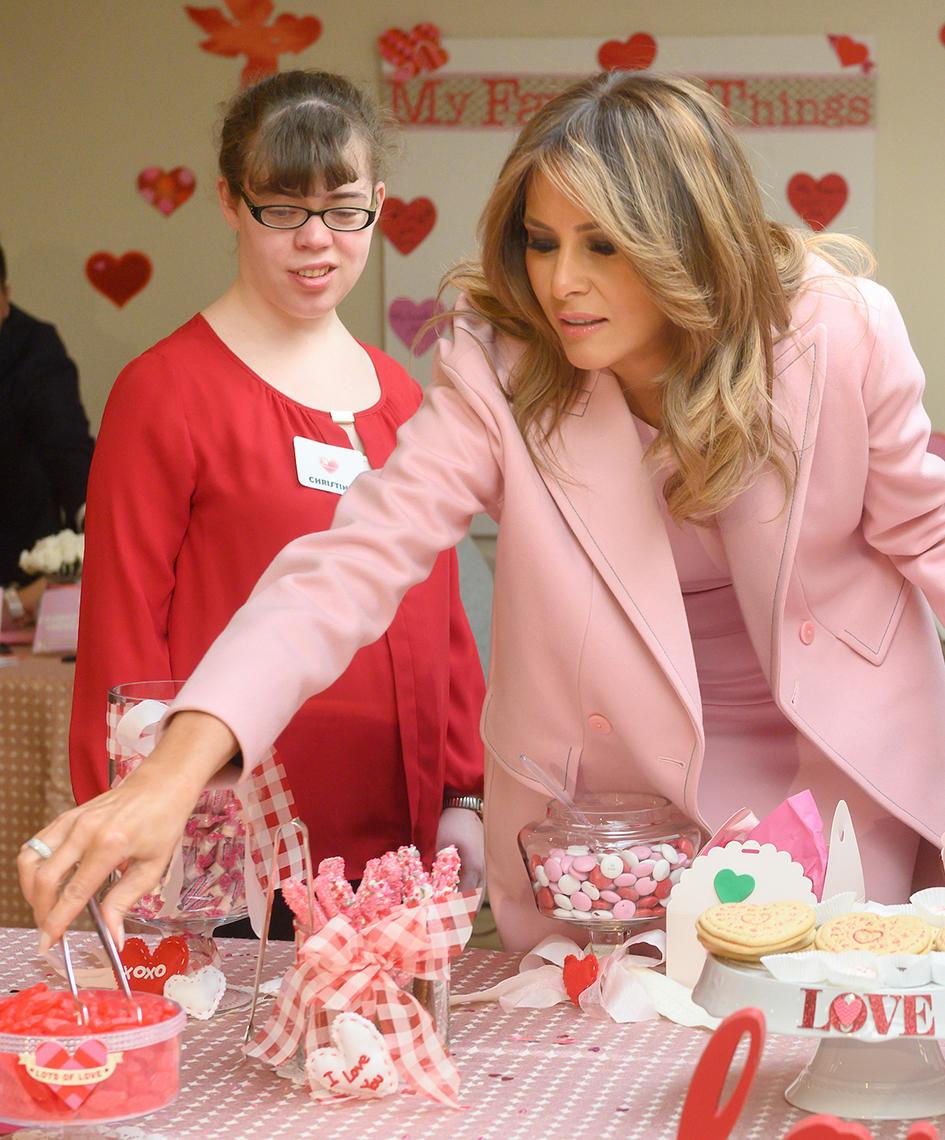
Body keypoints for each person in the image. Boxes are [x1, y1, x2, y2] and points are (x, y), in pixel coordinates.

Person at [23, 71, 945, 955]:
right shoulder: (501, 368)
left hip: (832, 767)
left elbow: (926, 531)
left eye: (601, 244)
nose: (560, 284)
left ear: (688, 238)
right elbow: (351, 563)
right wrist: (175, 770)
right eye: (541, 243)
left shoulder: (838, 330)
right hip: (617, 812)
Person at [65, 70, 485, 936]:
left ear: (377, 201)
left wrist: (463, 792)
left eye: (341, 209)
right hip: (233, 844)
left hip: (396, 838)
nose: (315, 241)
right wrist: (145, 815)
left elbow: (443, 617)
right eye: (281, 210)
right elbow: (121, 634)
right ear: (228, 202)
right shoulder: (164, 392)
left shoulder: (401, 395)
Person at [0, 242, 93, 623]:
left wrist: (94, 528)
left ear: (4, 295)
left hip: (20, 558)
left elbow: (66, 448)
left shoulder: (35, 349)